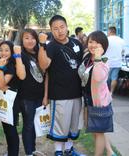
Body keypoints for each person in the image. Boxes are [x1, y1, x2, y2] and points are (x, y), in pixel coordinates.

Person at [38, 15, 84, 156]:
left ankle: (69, 149)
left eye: (62, 27)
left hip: (77, 92)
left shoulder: (76, 44)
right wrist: (41, 45)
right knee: (60, 125)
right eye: (55, 28)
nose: (60, 31)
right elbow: (44, 65)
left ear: (67, 26)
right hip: (59, 94)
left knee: (73, 124)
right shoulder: (50, 46)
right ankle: (58, 151)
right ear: (51, 30)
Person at [78, 31, 115, 156]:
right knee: (96, 130)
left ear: (103, 45)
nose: (93, 45)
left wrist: (98, 58)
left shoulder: (104, 60)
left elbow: (99, 77)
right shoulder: (88, 57)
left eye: (97, 43)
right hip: (88, 99)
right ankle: (110, 152)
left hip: (99, 102)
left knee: (98, 132)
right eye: (91, 42)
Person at [0, 41, 25, 156]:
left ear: (11, 51)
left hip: (12, 102)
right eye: (1, 50)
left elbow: (0, 84)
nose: (3, 53)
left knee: (11, 130)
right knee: (7, 129)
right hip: (4, 101)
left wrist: (0, 69)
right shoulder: (1, 62)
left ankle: (13, 153)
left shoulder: (10, 65)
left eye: (6, 50)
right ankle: (11, 152)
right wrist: (1, 84)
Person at [18, 28, 45, 156]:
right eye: (26, 38)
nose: (30, 41)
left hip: (40, 95)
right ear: (21, 40)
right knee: (28, 124)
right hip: (26, 97)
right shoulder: (20, 55)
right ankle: (29, 152)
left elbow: (47, 75)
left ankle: (32, 149)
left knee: (34, 124)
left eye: (33, 38)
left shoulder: (40, 52)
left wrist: (46, 96)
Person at [105, 26, 125, 94]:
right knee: (114, 78)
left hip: (108, 62)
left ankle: (107, 92)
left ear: (110, 31)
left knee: (106, 78)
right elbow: (123, 52)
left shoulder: (106, 39)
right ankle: (111, 92)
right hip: (117, 62)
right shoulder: (121, 40)